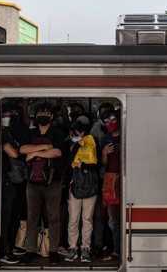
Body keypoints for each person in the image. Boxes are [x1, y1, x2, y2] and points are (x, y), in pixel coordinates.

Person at [19, 102, 67, 266]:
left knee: (53, 217)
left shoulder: (58, 133)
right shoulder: (30, 133)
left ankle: (53, 251)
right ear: (35, 115)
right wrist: (46, 147)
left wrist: (35, 153)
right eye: (41, 113)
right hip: (32, 182)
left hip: (53, 182)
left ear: (52, 116)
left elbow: (58, 152)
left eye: (47, 113)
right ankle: (29, 250)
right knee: (32, 217)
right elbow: (22, 149)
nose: (43, 116)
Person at [65, 118, 99, 263]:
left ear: (83, 133)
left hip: (91, 185)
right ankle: (72, 248)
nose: (74, 138)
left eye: (77, 134)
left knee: (87, 219)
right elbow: (68, 163)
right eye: (72, 135)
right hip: (75, 186)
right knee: (73, 218)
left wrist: (83, 166)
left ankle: (85, 248)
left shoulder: (93, 142)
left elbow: (96, 165)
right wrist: (78, 146)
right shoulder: (70, 144)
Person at [0, 101, 26, 265]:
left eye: (12, 114)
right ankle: (4, 250)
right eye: (7, 114)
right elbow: (14, 153)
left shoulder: (6, 132)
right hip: (6, 179)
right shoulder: (1, 134)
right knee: (6, 217)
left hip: (11, 179)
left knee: (13, 215)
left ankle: (10, 245)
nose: (9, 117)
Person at [89, 101, 116, 258]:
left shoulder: (122, 131)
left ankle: (114, 245)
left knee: (114, 216)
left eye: (109, 116)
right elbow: (96, 157)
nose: (107, 120)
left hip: (116, 177)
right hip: (102, 176)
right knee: (100, 214)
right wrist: (103, 153)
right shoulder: (98, 131)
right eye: (103, 117)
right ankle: (100, 243)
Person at [100, 109, 122, 261]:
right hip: (110, 180)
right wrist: (104, 153)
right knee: (113, 220)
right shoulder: (106, 138)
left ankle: (122, 249)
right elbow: (103, 164)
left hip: (126, 179)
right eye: (107, 121)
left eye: (112, 119)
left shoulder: (127, 134)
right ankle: (117, 250)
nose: (110, 123)